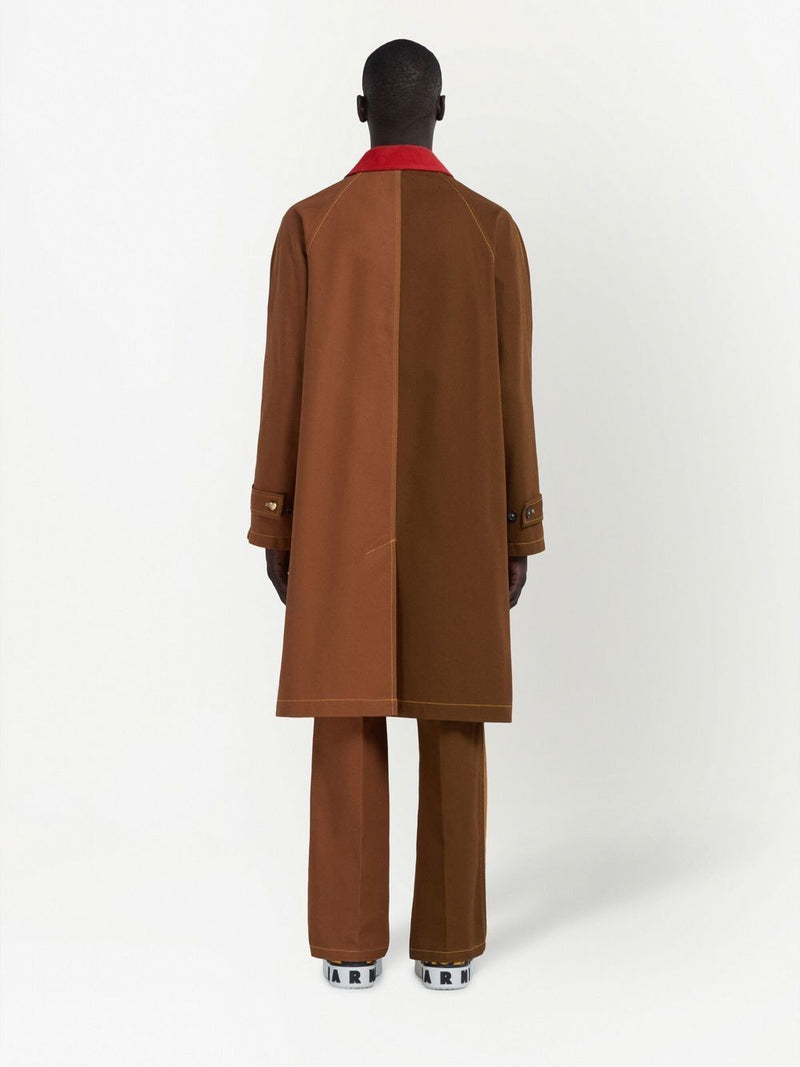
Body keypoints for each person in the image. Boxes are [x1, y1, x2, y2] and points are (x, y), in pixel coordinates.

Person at [247, 38, 546, 991]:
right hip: (463, 506)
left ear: (362, 109)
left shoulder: (310, 225)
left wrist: (276, 518)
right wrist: (519, 523)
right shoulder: (491, 230)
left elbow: (282, 387)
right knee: (453, 711)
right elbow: (514, 391)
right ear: (440, 111)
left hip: (335, 505)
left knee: (344, 709)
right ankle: (448, 945)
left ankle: (348, 943)